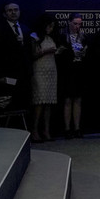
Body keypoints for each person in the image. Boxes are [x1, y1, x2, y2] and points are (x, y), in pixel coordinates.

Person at [29, 14, 63, 142]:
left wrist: (57, 51)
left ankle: (46, 130)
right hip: (39, 70)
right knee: (39, 102)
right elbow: (33, 54)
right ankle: (34, 130)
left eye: (52, 26)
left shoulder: (51, 37)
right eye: (49, 26)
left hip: (51, 70)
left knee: (49, 103)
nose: (51, 28)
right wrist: (46, 51)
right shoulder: (34, 36)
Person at [59, 13, 86, 138]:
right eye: (75, 24)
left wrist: (83, 53)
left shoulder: (83, 36)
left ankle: (77, 127)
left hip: (79, 69)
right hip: (67, 71)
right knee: (68, 100)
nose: (77, 26)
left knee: (78, 99)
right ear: (69, 22)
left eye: (79, 24)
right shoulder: (63, 36)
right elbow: (60, 54)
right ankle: (67, 128)